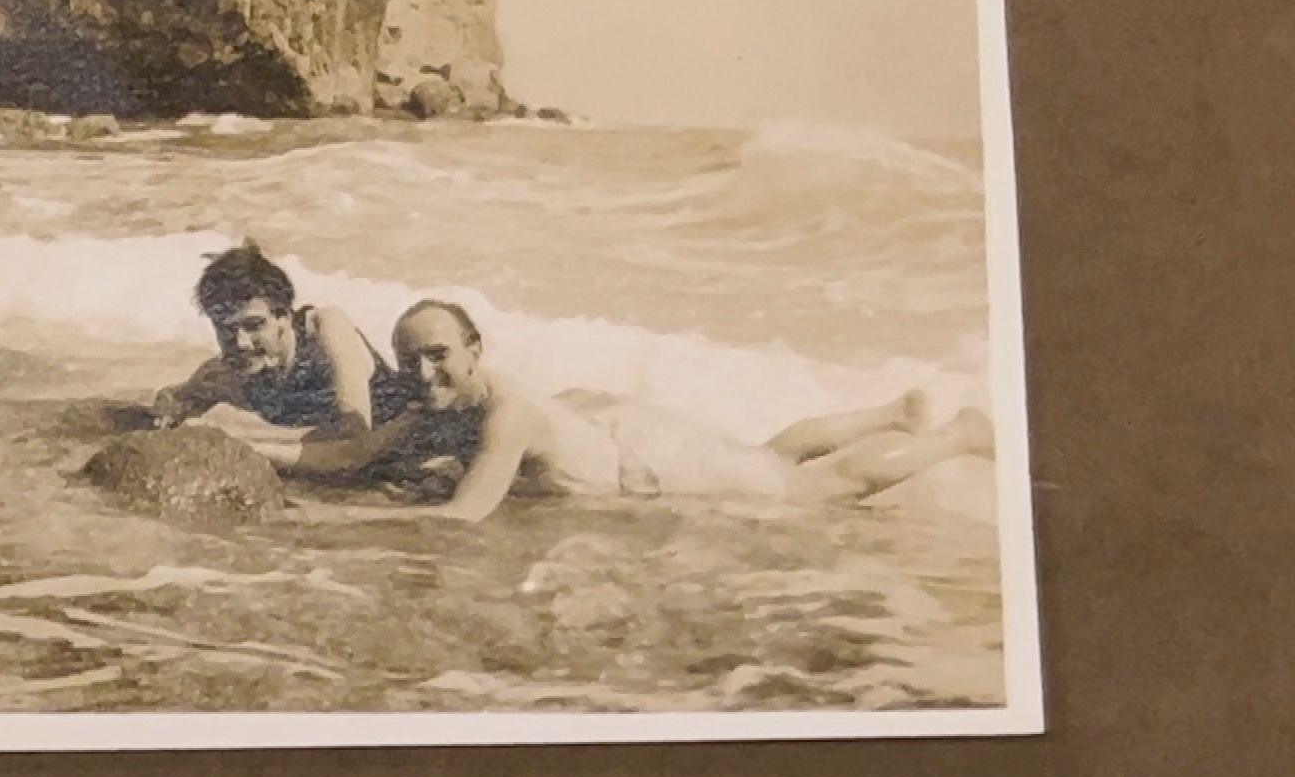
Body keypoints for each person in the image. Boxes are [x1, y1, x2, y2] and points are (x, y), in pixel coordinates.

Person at [282, 299, 989, 524]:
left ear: (474, 350)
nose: (421, 372)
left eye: (437, 355)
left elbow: (463, 520)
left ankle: (959, 434)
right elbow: (350, 455)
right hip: (610, 428)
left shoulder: (507, 417)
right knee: (766, 453)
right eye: (410, 360)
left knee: (805, 488)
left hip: (646, 461)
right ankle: (890, 413)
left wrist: (335, 523)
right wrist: (254, 453)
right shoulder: (441, 403)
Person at [148, 243, 414, 468]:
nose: (240, 343)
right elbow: (172, 400)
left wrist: (240, 441)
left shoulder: (325, 330)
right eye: (225, 329)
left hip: (408, 453)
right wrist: (171, 409)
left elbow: (354, 435)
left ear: (283, 317)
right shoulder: (225, 371)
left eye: (254, 326)